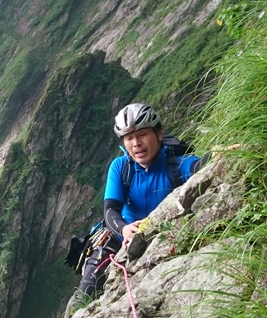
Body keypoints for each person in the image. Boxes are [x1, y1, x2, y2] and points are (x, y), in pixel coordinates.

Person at [79, 102, 205, 296]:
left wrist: (219, 155)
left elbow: (197, 166)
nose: (136, 143)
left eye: (142, 134)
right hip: (119, 238)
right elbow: (110, 210)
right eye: (129, 138)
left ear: (159, 134)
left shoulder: (174, 165)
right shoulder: (121, 168)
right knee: (86, 292)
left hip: (163, 236)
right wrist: (124, 229)